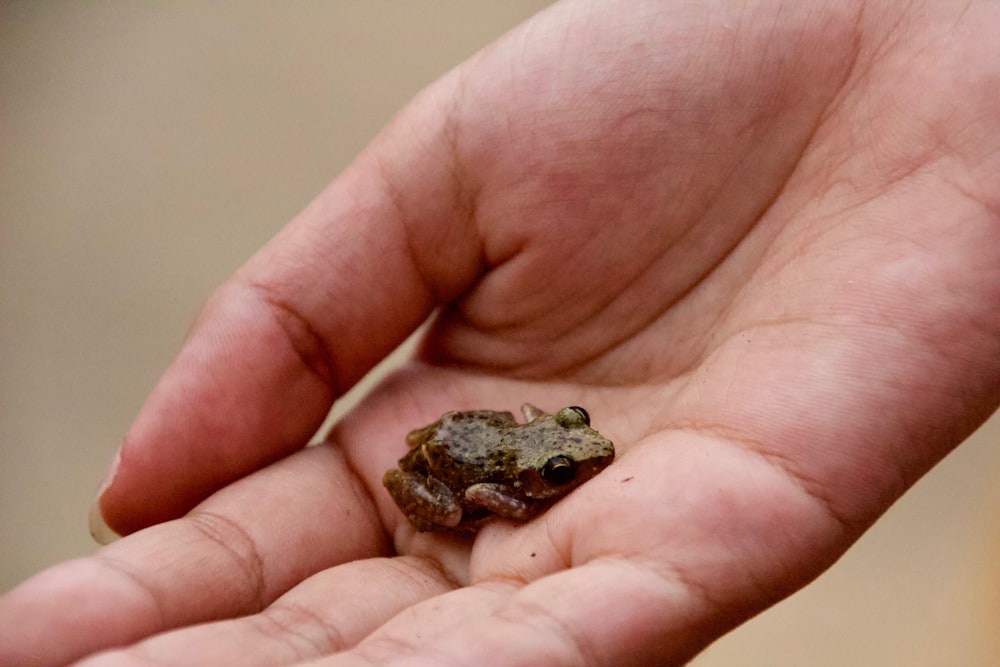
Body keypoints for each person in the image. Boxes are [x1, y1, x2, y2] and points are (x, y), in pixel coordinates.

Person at [2, 1, 999, 664]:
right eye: (570, 466)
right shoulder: (509, 480)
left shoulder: (545, 447)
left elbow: (536, 442)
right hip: (445, 463)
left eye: (574, 452)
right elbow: (476, 483)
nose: (590, 458)